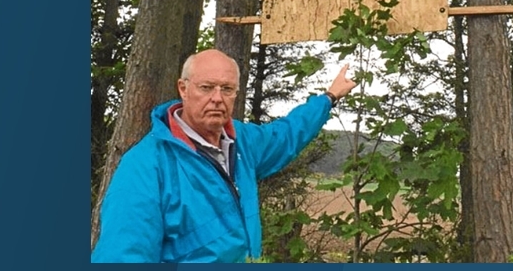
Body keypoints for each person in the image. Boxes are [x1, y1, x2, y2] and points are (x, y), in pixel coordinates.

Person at [91, 48, 357, 263]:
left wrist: (329, 98)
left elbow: (286, 135)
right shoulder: (146, 166)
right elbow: (123, 256)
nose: (217, 98)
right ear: (183, 89)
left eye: (227, 89)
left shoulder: (242, 142)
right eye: (207, 87)